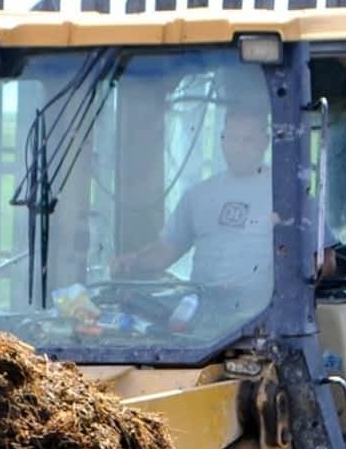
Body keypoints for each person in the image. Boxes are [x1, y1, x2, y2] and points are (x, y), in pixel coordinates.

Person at [113, 103, 274, 313]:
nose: (238, 148)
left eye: (248, 140)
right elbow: (166, 250)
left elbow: (323, 262)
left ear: (266, 142)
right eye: (232, 139)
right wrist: (132, 262)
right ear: (222, 141)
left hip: (262, 318)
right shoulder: (199, 195)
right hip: (204, 319)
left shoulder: (287, 194)